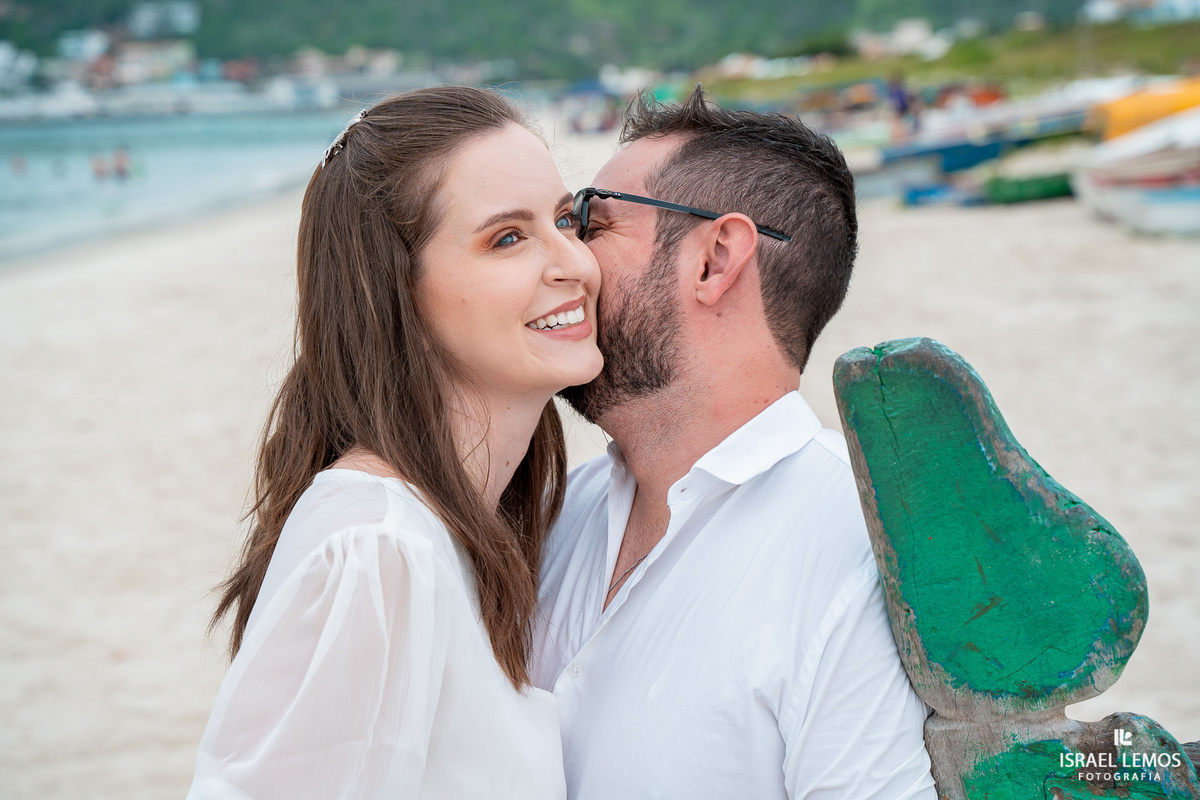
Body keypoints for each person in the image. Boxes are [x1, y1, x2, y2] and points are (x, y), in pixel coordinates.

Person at [188, 87, 602, 799]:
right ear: (395, 291)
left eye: (567, 220)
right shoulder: (379, 552)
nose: (577, 265)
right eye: (508, 238)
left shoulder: (459, 534)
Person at [536, 87, 936, 799]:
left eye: (589, 221)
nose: (567, 258)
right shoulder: (555, 512)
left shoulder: (856, 555)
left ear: (715, 258)